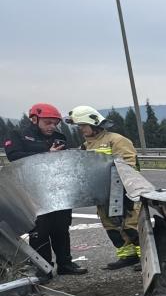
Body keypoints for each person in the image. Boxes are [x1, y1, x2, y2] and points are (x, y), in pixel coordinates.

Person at [3, 103, 87, 277]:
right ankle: (43, 268)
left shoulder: (59, 137)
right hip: (31, 192)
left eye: (54, 123)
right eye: (47, 122)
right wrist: (46, 152)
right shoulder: (18, 135)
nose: (52, 127)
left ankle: (65, 264)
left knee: (61, 228)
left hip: (57, 190)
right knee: (40, 231)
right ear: (34, 120)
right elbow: (14, 157)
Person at [65, 105, 141, 270]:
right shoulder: (86, 146)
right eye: (80, 127)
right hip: (102, 194)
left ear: (94, 123)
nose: (81, 130)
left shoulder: (116, 140)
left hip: (123, 192)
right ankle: (127, 256)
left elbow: (129, 165)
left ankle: (147, 257)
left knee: (131, 226)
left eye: (83, 126)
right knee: (112, 227)